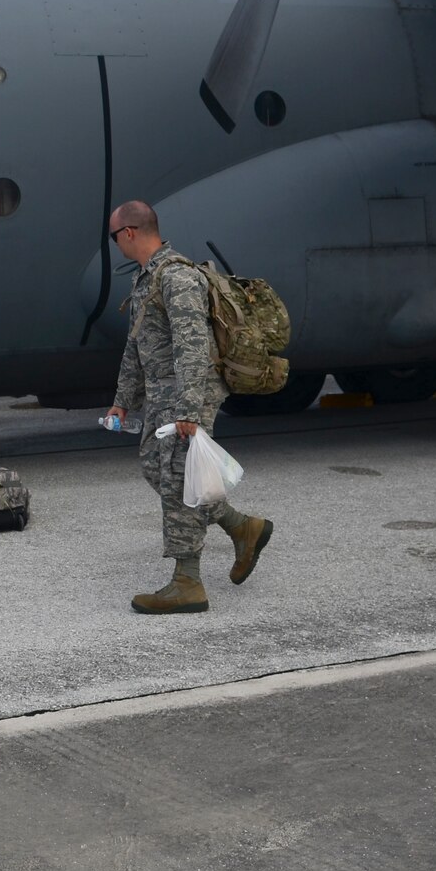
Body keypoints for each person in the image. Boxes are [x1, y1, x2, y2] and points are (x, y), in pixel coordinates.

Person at [104, 200, 274, 614]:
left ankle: (187, 581)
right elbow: (136, 345)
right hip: (162, 395)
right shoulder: (147, 278)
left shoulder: (177, 277)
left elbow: (193, 344)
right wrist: (123, 402)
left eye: (114, 237)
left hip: (183, 394)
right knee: (157, 468)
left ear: (128, 233)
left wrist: (188, 409)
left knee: (179, 479)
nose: (115, 245)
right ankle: (241, 526)